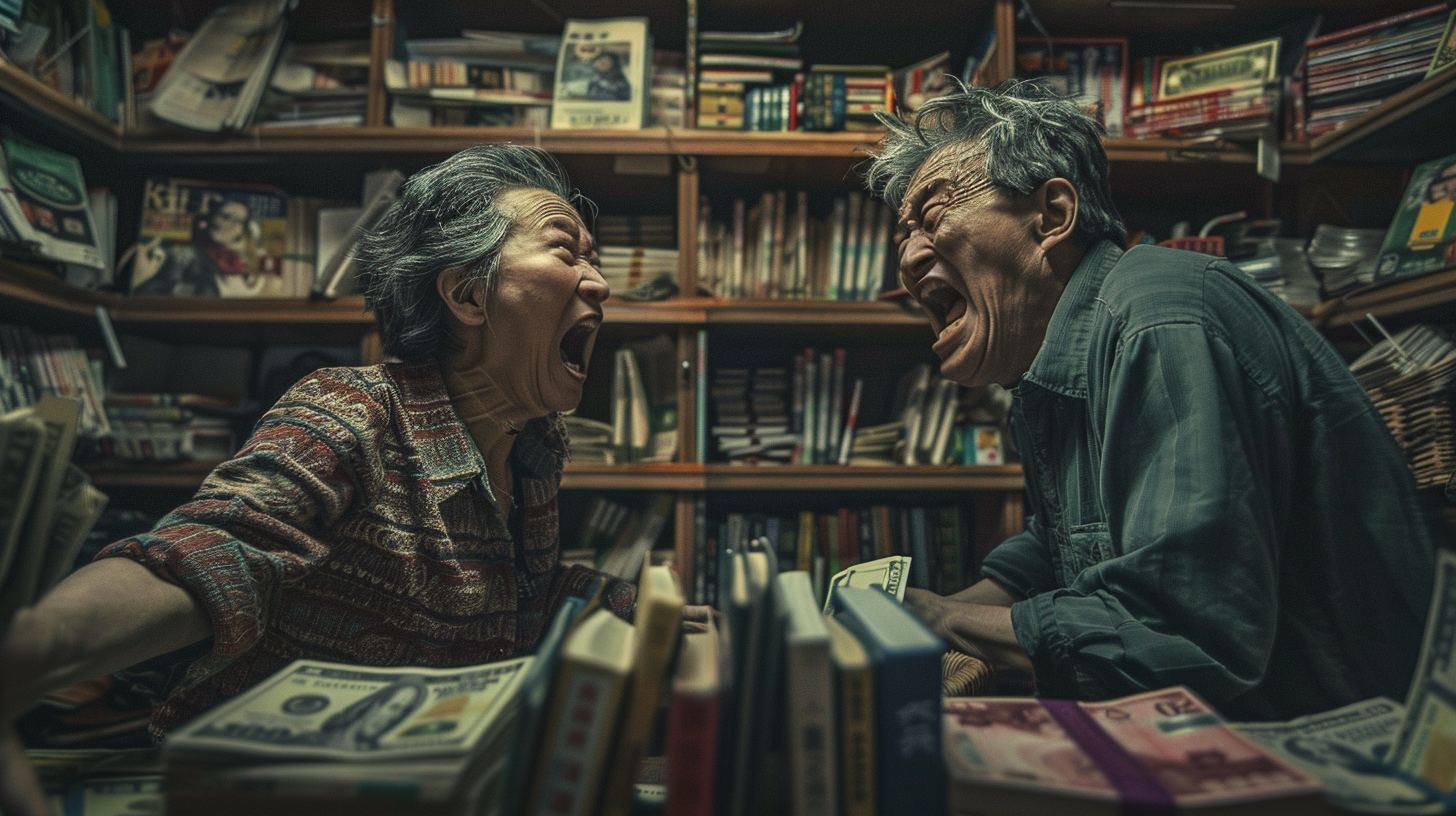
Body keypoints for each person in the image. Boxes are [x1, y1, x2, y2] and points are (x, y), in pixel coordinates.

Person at [0, 144, 631, 815]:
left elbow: (517, 603)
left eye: (594, 258)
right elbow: (214, 547)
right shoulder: (351, 408)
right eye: (567, 252)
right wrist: (41, 647)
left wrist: (653, 617)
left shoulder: (534, 445)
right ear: (468, 295)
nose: (599, 282)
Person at [868, 81, 1435, 722]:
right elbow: (1058, 548)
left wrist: (941, 618)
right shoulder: (1043, 366)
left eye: (935, 217)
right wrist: (910, 617)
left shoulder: (1160, 320)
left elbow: (1185, 631)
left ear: (1053, 216)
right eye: (904, 234)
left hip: (1346, 744)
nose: (909, 256)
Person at [132, 196, 258, 296]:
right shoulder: (186, 255)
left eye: (236, 220)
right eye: (224, 215)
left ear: (242, 231)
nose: (226, 223)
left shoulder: (240, 266)